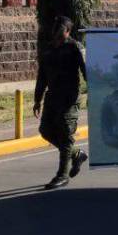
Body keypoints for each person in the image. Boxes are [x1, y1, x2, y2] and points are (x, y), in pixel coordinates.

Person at [34, 15, 88, 190]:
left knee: (65, 134)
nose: (56, 31)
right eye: (55, 27)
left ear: (68, 31)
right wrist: (37, 100)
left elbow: (87, 72)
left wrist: (94, 92)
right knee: (46, 131)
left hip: (69, 98)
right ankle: (76, 154)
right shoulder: (48, 50)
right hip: (52, 97)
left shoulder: (75, 48)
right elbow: (42, 77)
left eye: (60, 29)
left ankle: (62, 175)